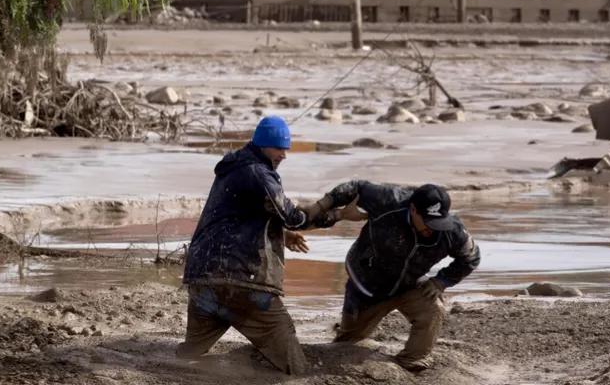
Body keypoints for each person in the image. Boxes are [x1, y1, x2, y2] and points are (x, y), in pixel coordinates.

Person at [178, 116, 332, 375]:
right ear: (261, 145)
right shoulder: (260, 173)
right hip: (240, 281)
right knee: (294, 365)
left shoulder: (234, 167)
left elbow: (237, 217)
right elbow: (294, 217)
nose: (283, 155)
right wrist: (335, 214)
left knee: (189, 355)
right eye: (278, 148)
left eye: (285, 148)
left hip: (203, 277)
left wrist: (281, 234)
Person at [304, 181, 481, 372]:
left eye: (438, 222)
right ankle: (349, 331)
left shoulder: (452, 232)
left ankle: (414, 359)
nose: (433, 229)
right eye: (428, 222)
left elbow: (471, 257)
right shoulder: (388, 200)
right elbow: (355, 187)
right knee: (347, 343)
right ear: (413, 209)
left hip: (410, 284)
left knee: (433, 307)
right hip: (365, 287)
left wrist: (441, 281)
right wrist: (321, 206)